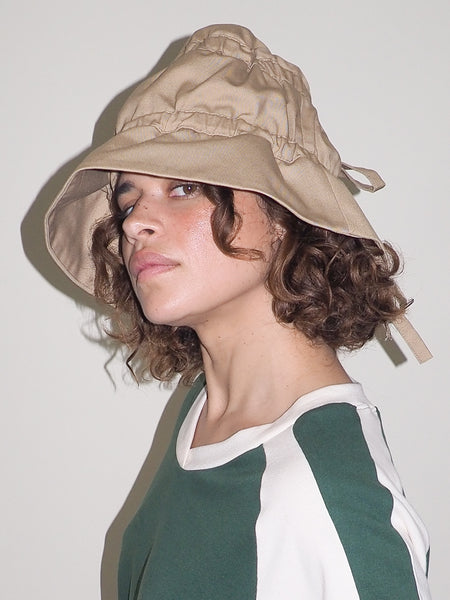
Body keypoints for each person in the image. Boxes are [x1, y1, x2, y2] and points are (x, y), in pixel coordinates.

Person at [45, 24, 432, 600]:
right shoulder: (204, 413)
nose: (135, 223)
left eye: (184, 187)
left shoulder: (327, 498)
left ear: (286, 214)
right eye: (129, 199)